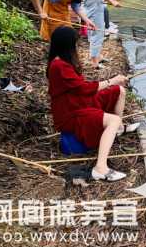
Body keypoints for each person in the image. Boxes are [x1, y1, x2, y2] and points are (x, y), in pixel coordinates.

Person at [47, 26, 139, 181]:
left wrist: (113, 84)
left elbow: (80, 88)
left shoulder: (63, 61)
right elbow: (83, 88)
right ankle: (100, 168)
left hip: (79, 102)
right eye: (74, 43)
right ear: (66, 45)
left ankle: (119, 128)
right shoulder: (58, 66)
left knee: (119, 91)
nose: (76, 47)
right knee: (113, 119)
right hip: (71, 113)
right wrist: (111, 80)